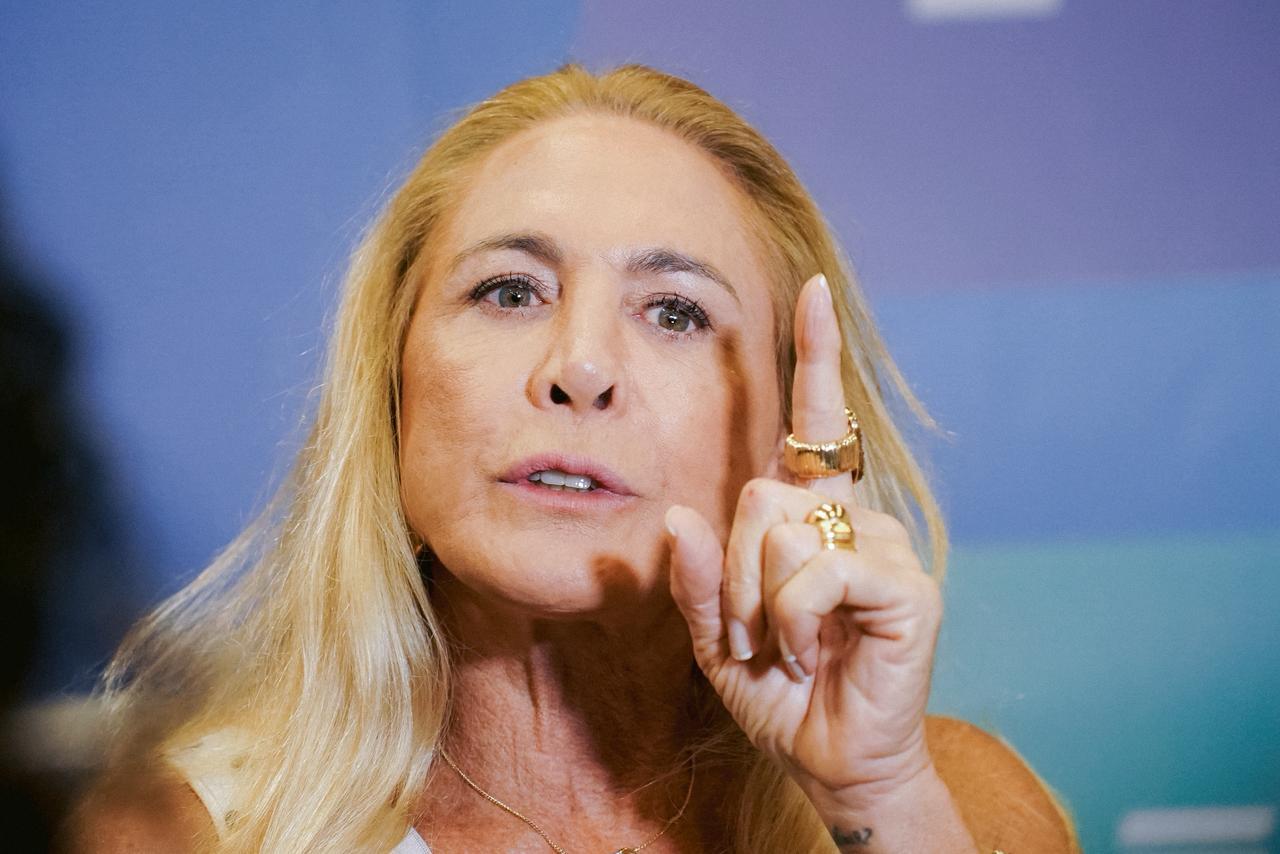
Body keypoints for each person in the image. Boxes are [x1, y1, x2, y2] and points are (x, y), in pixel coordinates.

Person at [66, 64, 1077, 853]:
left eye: (674, 312)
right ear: (393, 382)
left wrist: (876, 800)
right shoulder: (171, 834)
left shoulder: (953, 806)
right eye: (509, 291)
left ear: (784, 432)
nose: (580, 366)